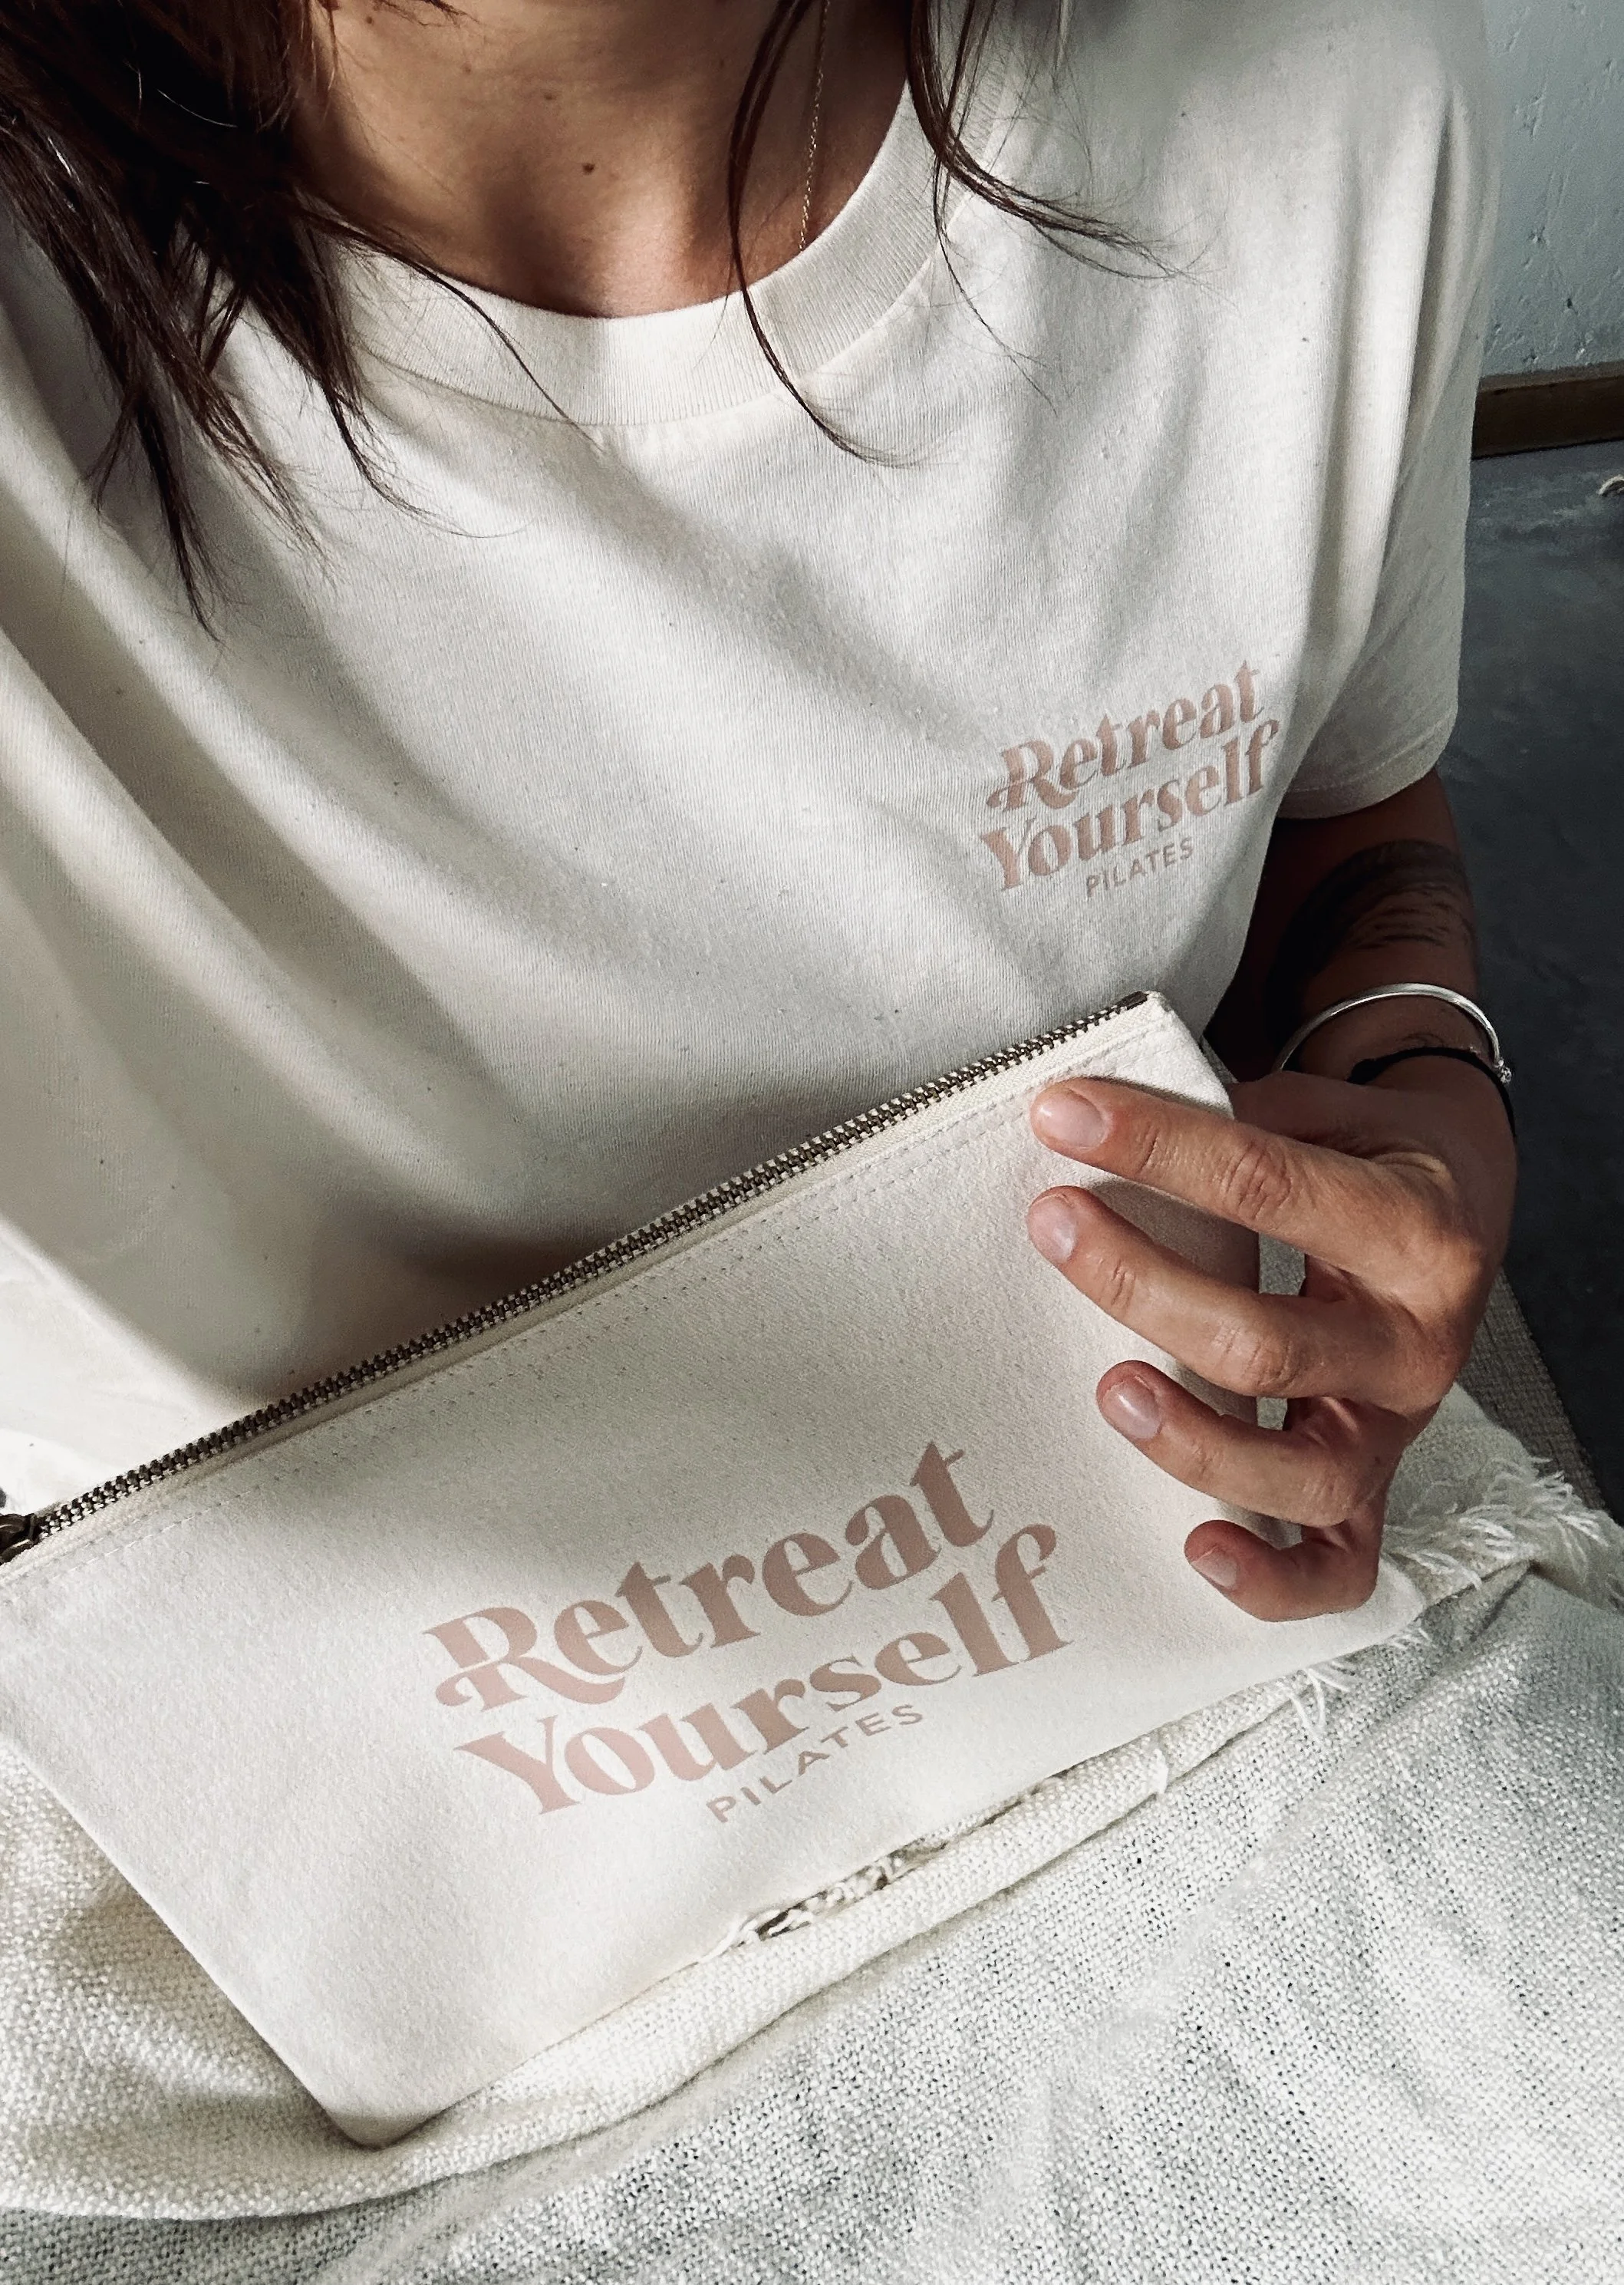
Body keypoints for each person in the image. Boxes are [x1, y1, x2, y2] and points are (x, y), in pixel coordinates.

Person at [0, 0, 1510, 1638]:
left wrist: (1421, 1069)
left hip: (1110, 1544)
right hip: (218, 1687)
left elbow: (1340, 800)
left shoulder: (1327, 88)